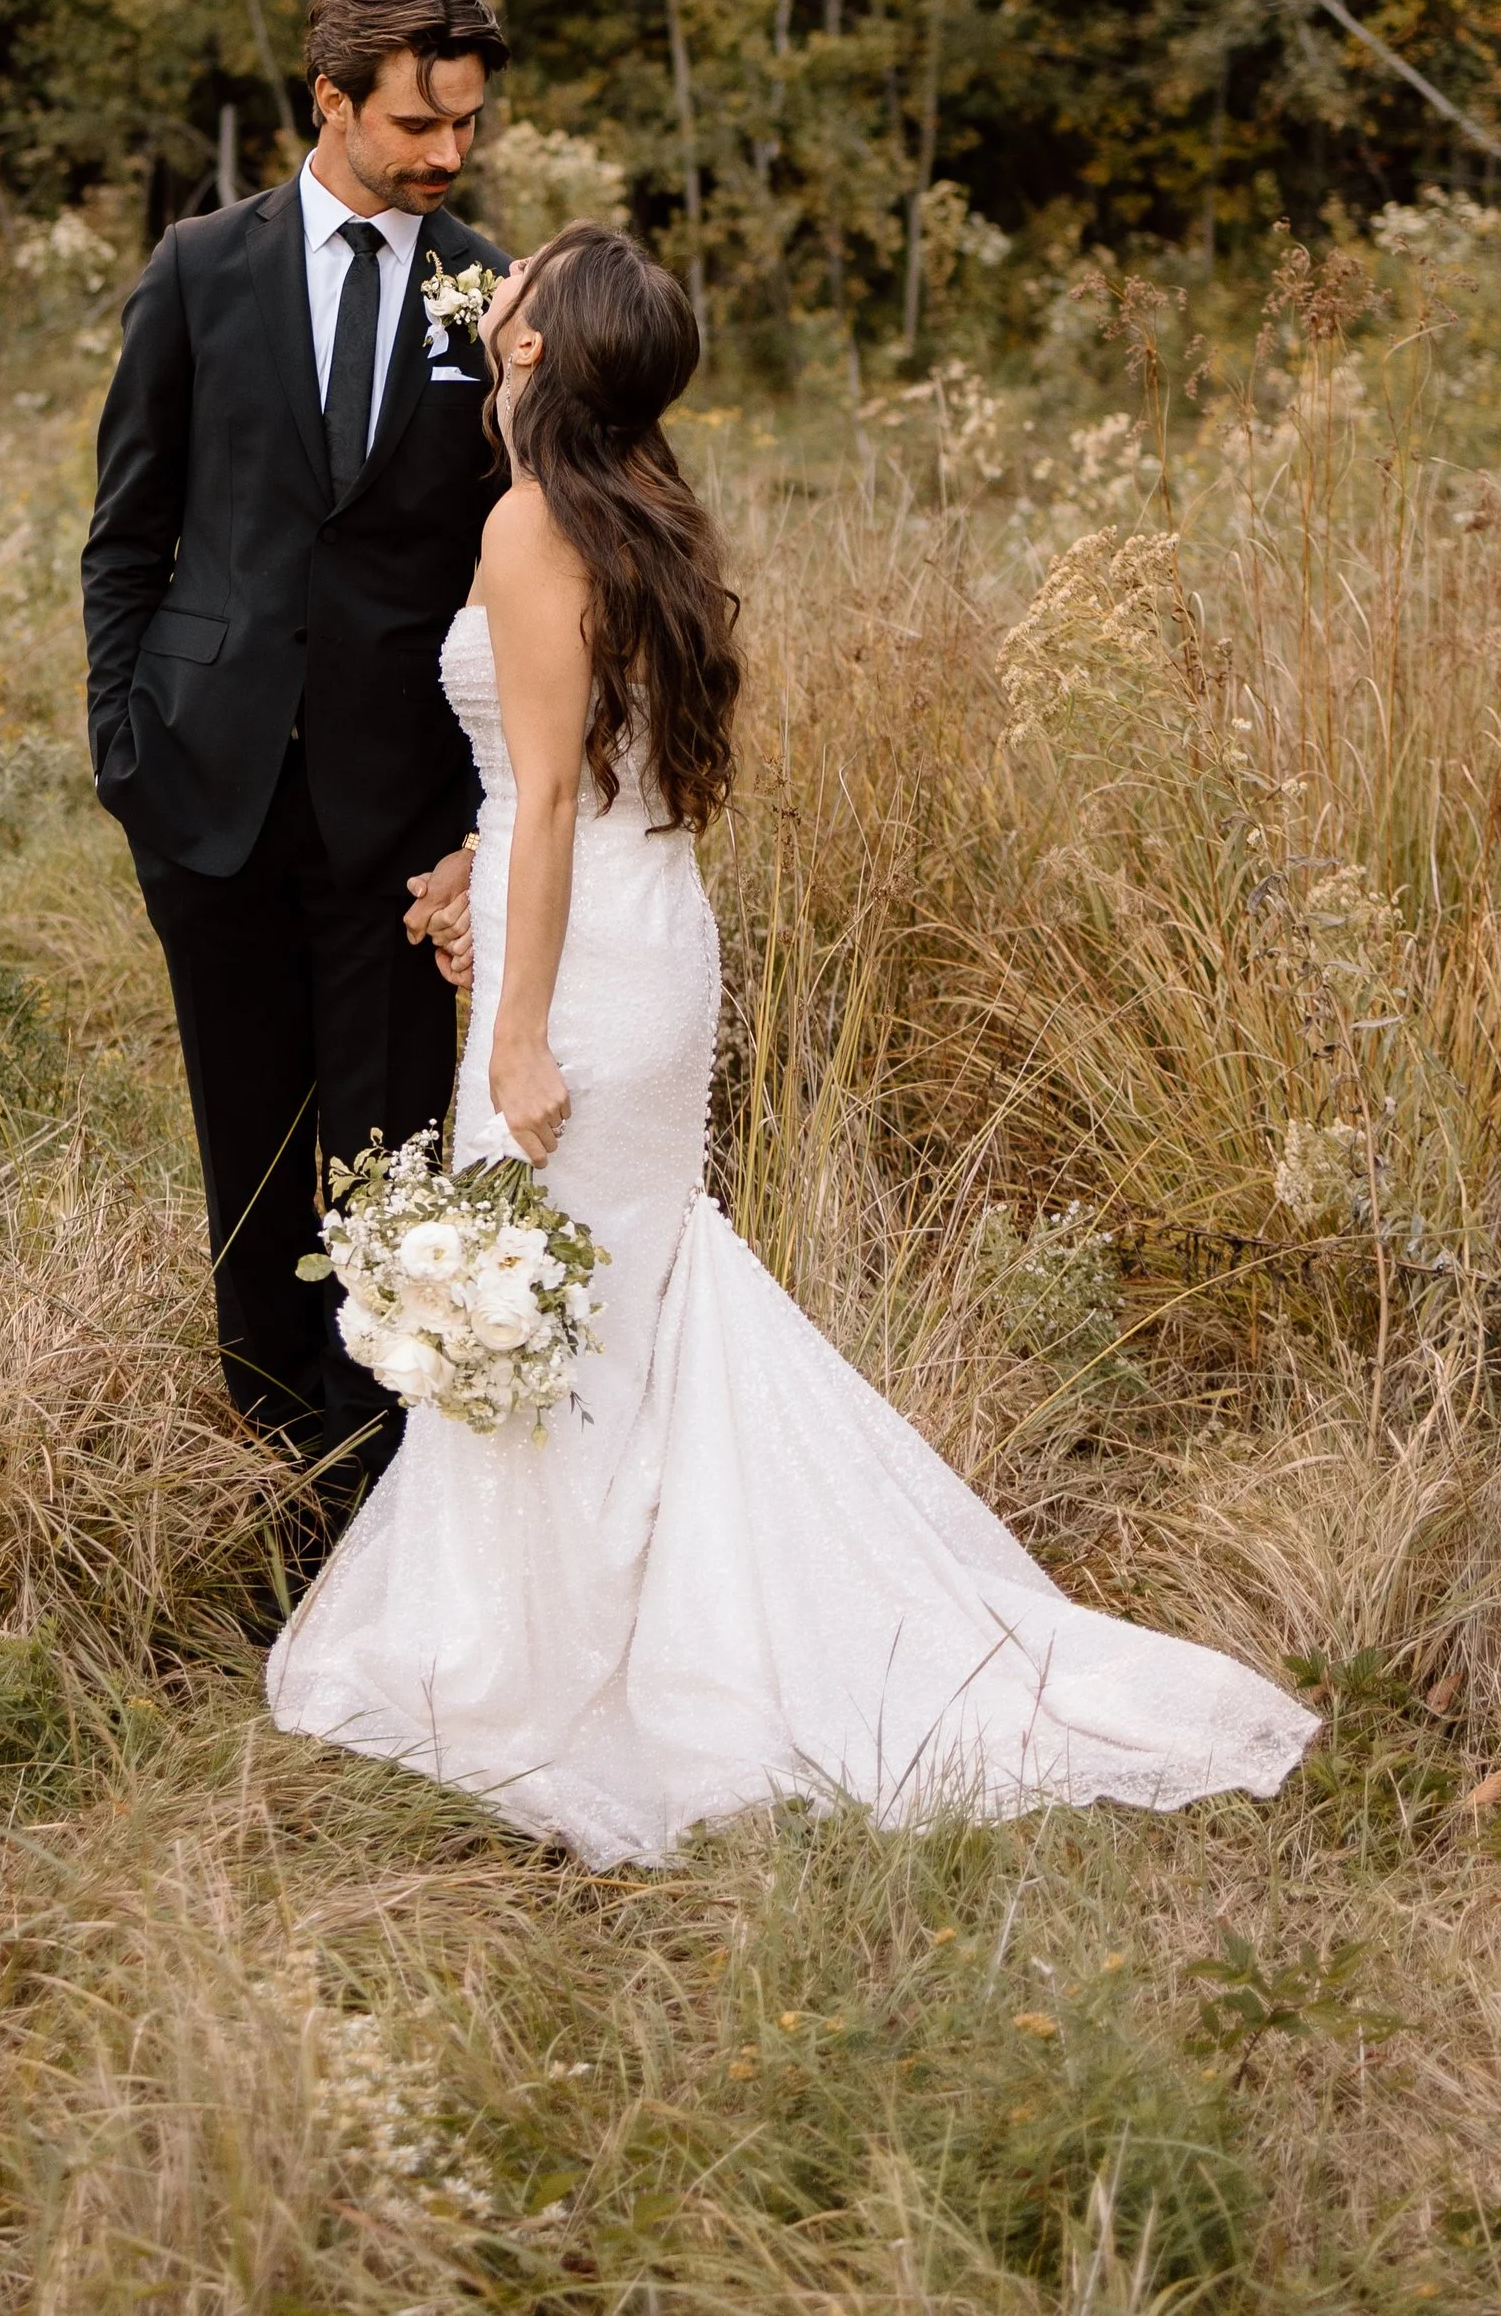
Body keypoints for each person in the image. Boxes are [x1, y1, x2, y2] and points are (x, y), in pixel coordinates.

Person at [268, 222, 1318, 1864]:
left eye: (517, 290)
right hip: (639, 924)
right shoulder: (641, 512)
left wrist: (522, 1024)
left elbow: (552, 790)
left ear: (536, 348)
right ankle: (601, 1617)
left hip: (590, 966)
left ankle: (550, 1657)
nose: (498, 299)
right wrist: (477, 864)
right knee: (614, 1289)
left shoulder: (533, 518)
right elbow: (590, 773)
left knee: (555, 1294)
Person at [82, 0, 509, 1484]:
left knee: (398, 1181)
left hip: (404, 827)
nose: (446, 154)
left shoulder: (491, 292)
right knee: (251, 1167)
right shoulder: (202, 269)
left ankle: (392, 1499)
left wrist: (483, 829)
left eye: (464, 123)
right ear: (329, 101)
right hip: (210, 795)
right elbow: (128, 533)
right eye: (416, 125)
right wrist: (127, 754)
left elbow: (515, 571)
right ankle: (275, 1491)